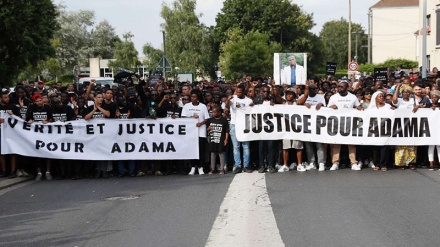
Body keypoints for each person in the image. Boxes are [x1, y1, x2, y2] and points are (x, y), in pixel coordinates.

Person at [327, 81, 363, 171]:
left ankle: (353, 163)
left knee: (351, 143)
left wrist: (359, 108)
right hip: (337, 124)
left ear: (347, 88)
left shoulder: (352, 97)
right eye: (338, 86)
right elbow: (327, 109)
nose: (339, 88)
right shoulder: (333, 97)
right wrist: (331, 108)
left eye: (342, 87)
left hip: (350, 124)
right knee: (336, 144)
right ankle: (335, 163)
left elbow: (358, 107)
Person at [278, 86, 309, 172]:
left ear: (294, 95)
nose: (288, 96)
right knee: (286, 147)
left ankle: (299, 164)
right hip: (286, 129)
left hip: (296, 128)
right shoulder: (284, 103)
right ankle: (285, 165)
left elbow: (305, 97)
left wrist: (306, 88)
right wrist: (274, 86)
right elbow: (277, 96)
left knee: (298, 147)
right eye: (287, 94)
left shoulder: (297, 103)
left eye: (290, 94)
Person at [226, 84, 254, 174]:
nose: (238, 93)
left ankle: (246, 166)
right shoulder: (233, 99)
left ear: (243, 92)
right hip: (234, 124)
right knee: (236, 147)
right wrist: (228, 100)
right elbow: (227, 106)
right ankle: (238, 165)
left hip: (245, 125)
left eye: (240, 92)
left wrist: (252, 106)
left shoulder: (248, 100)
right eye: (237, 92)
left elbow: (253, 111)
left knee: (246, 147)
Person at [26, 93, 53, 181]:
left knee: (47, 152)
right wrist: (30, 120)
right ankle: (39, 172)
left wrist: (48, 121)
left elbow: (52, 118)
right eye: (37, 101)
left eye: (40, 100)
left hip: (47, 134)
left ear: (43, 100)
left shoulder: (48, 108)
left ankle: (48, 172)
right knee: (37, 153)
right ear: (34, 102)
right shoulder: (31, 108)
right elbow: (28, 119)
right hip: (36, 134)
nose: (39, 102)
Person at [181, 89, 210, 175]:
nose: (192, 98)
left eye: (194, 97)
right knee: (192, 150)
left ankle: (201, 167)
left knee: (201, 150)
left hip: (201, 131)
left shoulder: (203, 106)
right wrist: (191, 117)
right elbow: (183, 117)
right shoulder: (186, 106)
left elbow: (207, 118)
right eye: (191, 97)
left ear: (198, 98)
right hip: (190, 132)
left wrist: (201, 123)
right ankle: (193, 167)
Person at [302, 84, 326, 171]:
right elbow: (298, 105)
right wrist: (304, 104)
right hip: (306, 124)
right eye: (311, 89)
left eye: (315, 89)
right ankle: (311, 162)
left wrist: (321, 105)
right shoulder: (303, 96)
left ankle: (321, 162)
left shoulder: (320, 97)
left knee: (319, 144)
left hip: (318, 124)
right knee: (308, 144)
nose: (313, 90)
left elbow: (325, 108)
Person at [368, 91, 393, 171]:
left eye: (382, 96)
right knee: (375, 148)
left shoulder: (388, 106)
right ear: (375, 99)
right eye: (380, 96)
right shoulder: (371, 108)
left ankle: (383, 164)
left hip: (385, 130)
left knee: (385, 147)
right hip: (375, 131)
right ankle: (376, 163)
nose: (382, 98)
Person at [0, 91, 21, 178]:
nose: (7, 99)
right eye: (5, 97)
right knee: (1, 152)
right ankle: (4, 171)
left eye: (8, 97)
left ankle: (13, 171)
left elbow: (20, 119)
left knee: (12, 151)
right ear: (1, 99)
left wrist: (13, 115)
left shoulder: (13, 107)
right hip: (1, 133)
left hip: (11, 133)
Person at [206, 106, 229, 175]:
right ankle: (212, 168)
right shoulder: (210, 120)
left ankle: (222, 169)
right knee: (213, 154)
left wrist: (226, 139)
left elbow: (227, 131)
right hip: (213, 139)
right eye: (212, 112)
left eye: (215, 112)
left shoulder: (224, 120)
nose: (213, 113)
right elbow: (207, 130)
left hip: (221, 139)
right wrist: (208, 129)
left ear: (219, 112)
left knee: (221, 154)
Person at [428, 90, 440, 170]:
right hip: (430, 128)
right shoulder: (427, 106)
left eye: (436, 97)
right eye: (433, 97)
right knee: (431, 146)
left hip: (438, 128)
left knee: (439, 146)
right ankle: (431, 163)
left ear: (438, 98)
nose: (434, 99)